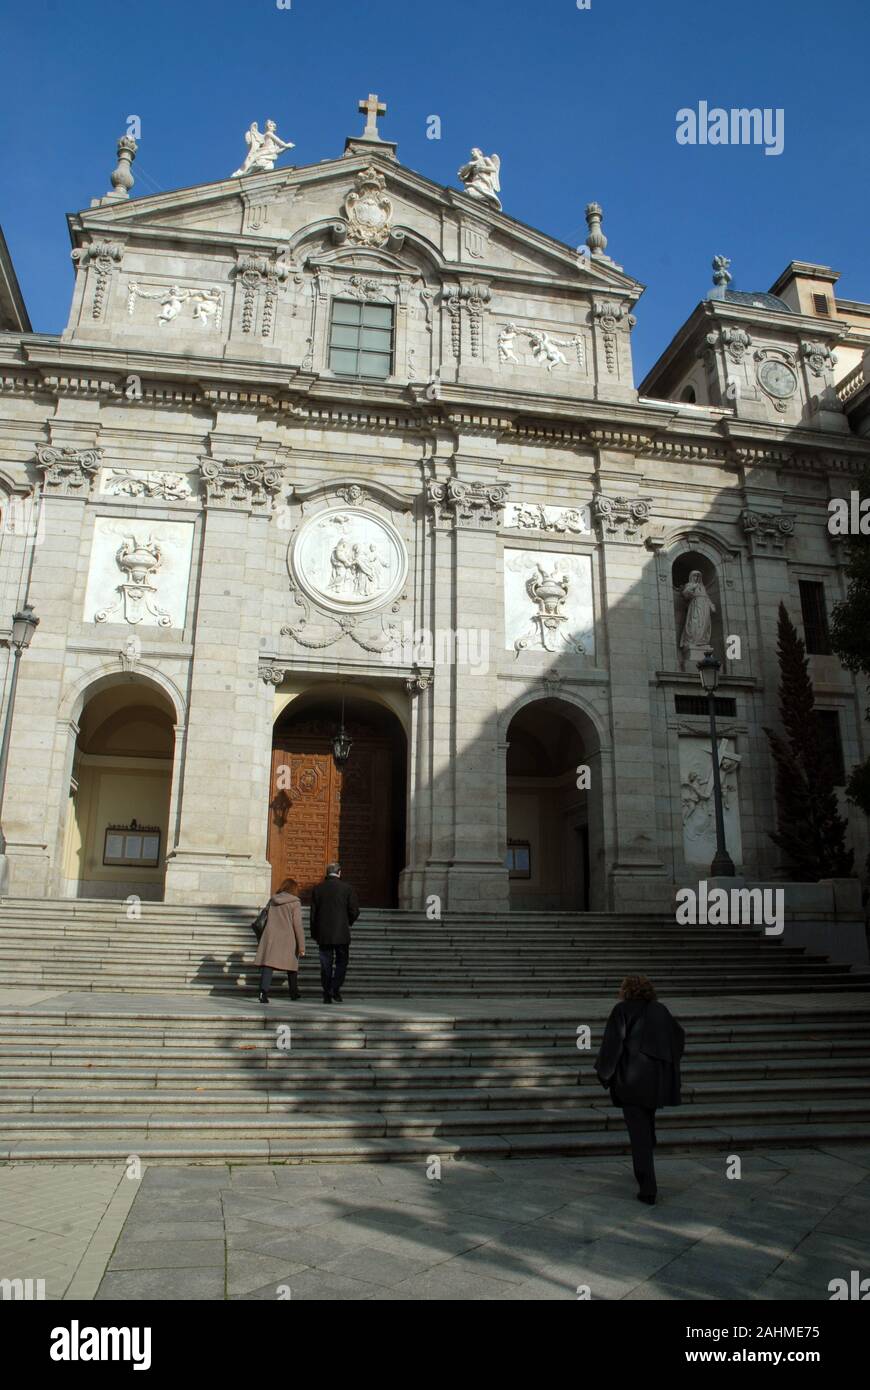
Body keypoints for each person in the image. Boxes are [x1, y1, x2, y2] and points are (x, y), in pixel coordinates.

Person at [593, 976, 685, 1205]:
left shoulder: (622, 1010)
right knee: (646, 1125)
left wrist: (604, 1073)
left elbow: (613, 1044)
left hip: (631, 1081)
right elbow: (678, 1037)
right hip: (655, 1082)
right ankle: (647, 1156)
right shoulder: (660, 1010)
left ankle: (648, 1186)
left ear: (626, 990)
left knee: (639, 1133)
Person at [309, 863, 359, 1004]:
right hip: (341, 934)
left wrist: (314, 932)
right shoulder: (347, 889)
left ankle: (328, 992)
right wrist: (347, 922)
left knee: (326, 965)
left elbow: (313, 914)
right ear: (339, 873)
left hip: (324, 935)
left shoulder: (318, 889)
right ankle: (334, 988)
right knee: (342, 963)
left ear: (327, 873)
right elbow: (354, 911)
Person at [254, 877, 305, 1003]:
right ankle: (294, 993)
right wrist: (302, 946)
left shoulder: (273, 899)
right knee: (292, 966)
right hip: (288, 938)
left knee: (268, 965)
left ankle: (263, 992)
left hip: (271, 936)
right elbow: (297, 925)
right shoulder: (295, 903)